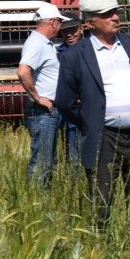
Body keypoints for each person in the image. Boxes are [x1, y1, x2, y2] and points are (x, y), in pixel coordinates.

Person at [54, 0, 130, 231]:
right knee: (101, 195)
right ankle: (101, 244)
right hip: (104, 137)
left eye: (116, 12)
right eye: (107, 14)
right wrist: (91, 121)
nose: (115, 17)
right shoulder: (75, 56)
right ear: (89, 23)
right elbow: (65, 101)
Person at [17, 1, 72, 187]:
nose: (60, 28)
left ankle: (41, 199)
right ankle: (37, 202)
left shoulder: (44, 43)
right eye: (60, 23)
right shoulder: (37, 43)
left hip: (47, 110)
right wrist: (38, 97)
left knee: (48, 159)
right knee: (42, 161)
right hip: (43, 111)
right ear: (53, 22)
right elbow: (23, 71)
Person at [56, 14, 84, 165]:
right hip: (65, 111)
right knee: (71, 156)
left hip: (85, 109)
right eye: (66, 31)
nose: (70, 34)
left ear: (81, 29)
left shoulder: (90, 50)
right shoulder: (58, 54)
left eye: (73, 30)